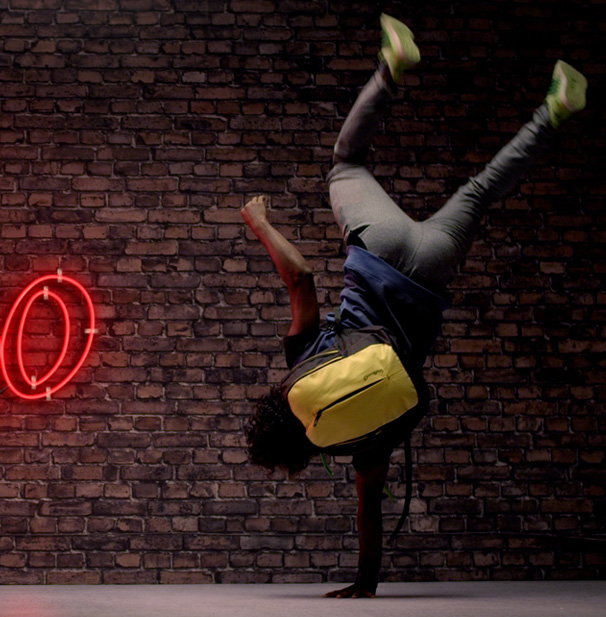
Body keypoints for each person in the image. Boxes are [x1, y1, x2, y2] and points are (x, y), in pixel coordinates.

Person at [240, 14, 587, 599]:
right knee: (346, 162)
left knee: (481, 190)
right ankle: (390, 67)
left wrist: (365, 583)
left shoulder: (356, 440)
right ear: (273, 407)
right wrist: (260, 223)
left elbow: (369, 510)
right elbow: (301, 278)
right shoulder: (301, 366)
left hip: (433, 268)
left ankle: (553, 111)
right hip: (378, 249)